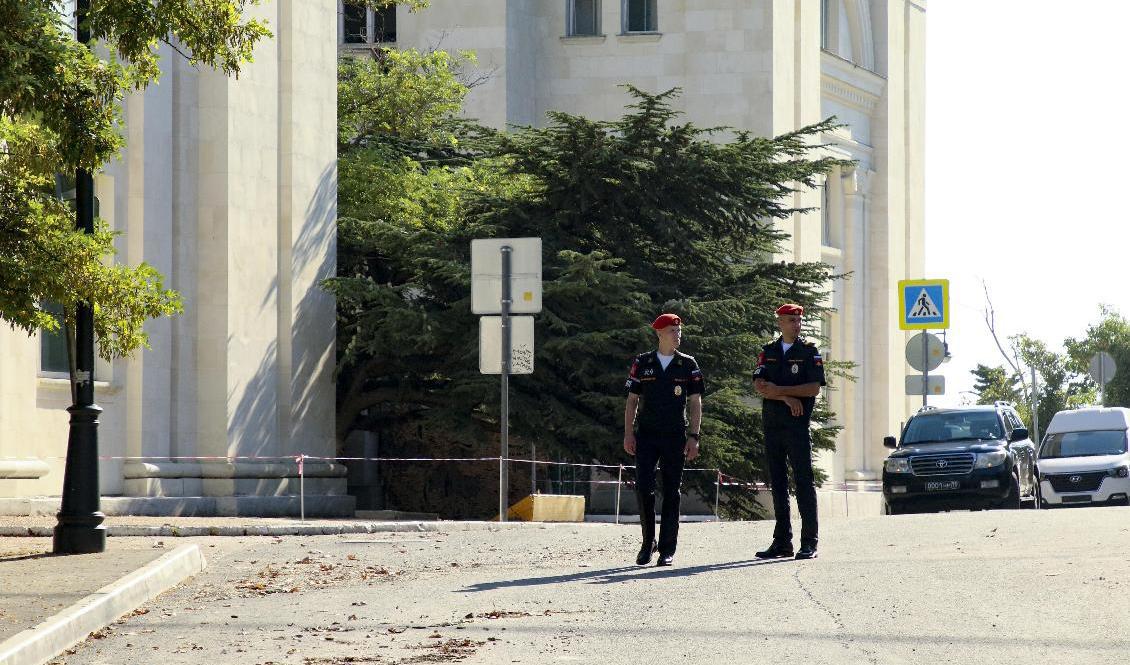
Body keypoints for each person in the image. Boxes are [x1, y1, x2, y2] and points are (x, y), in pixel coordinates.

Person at [623, 313, 705, 567]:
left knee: (671, 491)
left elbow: (695, 402)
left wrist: (694, 436)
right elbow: (632, 401)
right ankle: (648, 543)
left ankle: (667, 548)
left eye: (679, 331)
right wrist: (628, 433)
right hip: (647, 435)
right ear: (659, 333)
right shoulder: (643, 362)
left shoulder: (688, 364)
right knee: (644, 488)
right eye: (672, 331)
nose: (677, 335)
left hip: (674, 435)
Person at [752, 303, 826, 560]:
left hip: (797, 426)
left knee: (804, 482)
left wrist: (780, 391)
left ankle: (809, 542)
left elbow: (814, 388)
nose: (797, 325)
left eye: (799, 320)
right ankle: (782, 542)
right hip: (772, 424)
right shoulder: (769, 351)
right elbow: (760, 384)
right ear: (780, 323)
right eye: (791, 320)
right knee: (778, 483)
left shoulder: (809, 351)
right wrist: (785, 397)